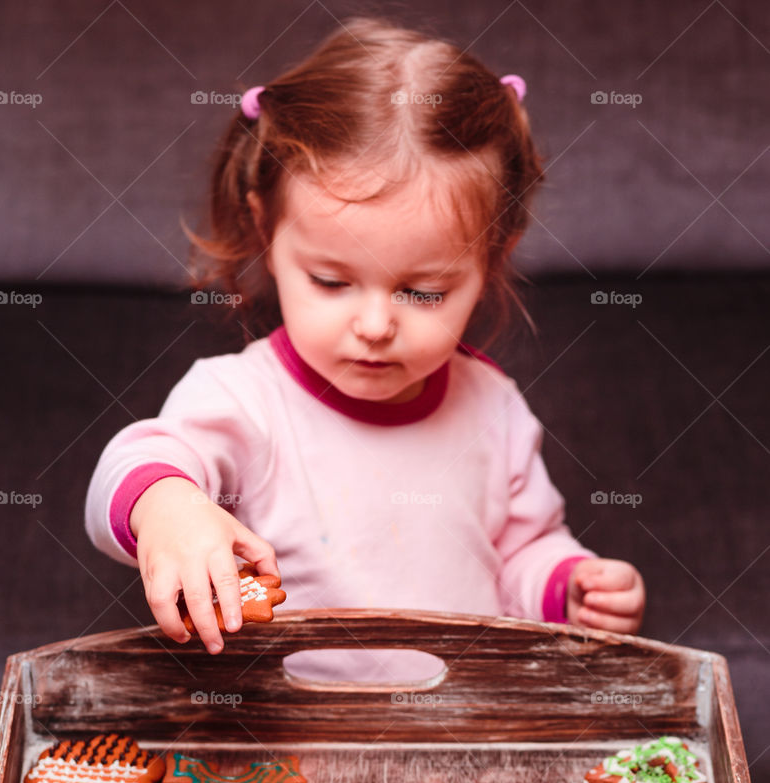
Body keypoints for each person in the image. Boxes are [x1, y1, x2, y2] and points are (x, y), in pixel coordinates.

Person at [85, 18, 645, 683]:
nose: (375, 324)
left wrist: (568, 586)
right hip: (286, 749)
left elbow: (518, 552)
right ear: (266, 227)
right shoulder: (242, 398)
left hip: (457, 734)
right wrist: (168, 509)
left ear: (494, 257)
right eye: (331, 281)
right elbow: (136, 464)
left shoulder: (492, 406)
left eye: (424, 292)